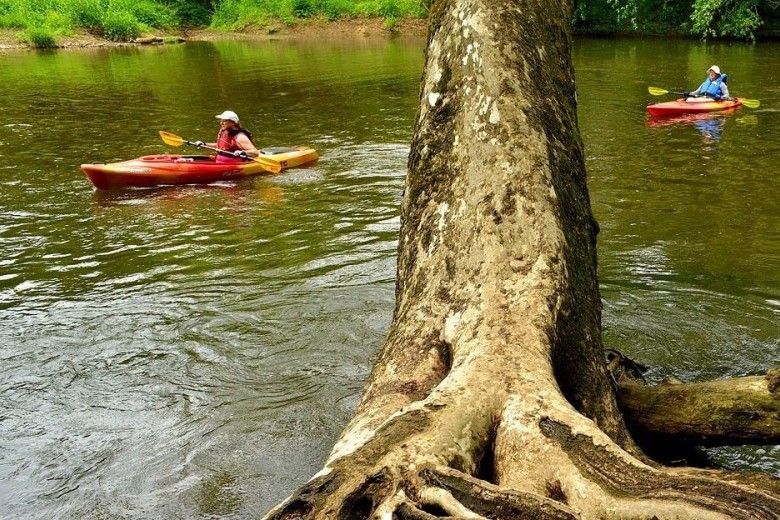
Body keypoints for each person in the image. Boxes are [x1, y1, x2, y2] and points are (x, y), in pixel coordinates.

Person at [194, 110, 259, 164]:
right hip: (219, 162)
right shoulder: (225, 132)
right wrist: (204, 144)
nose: (221, 123)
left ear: (233, 123)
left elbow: (255, 152)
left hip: (234, 164)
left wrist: (243, 152)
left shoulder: (240, 137)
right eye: (221, 121)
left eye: (225, 121)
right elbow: (221, 147)